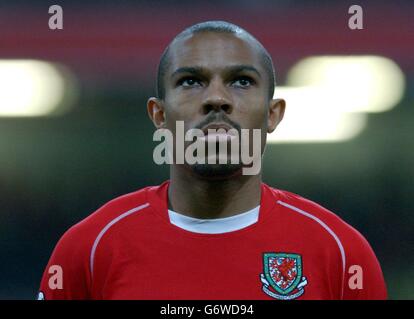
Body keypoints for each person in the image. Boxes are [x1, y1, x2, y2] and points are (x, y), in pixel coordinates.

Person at [38, 20, 387, 300]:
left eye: (241, 81)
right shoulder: (89, 249)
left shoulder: (341, 254)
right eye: (191, 81)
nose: (216, 98)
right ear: (159, 114)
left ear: (273, 114)